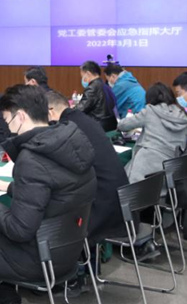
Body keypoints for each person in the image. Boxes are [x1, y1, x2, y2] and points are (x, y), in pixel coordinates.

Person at [0, 85, 96, 304]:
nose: (8, 129)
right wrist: (9, 187)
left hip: (35, 258)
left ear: (21, 117)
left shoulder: (32, 158)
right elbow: (55, 191)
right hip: (69, 250)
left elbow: (19, 230)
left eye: (7, 121)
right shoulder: (71, 143)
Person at [45, 90, 129, 242]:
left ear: (50, 112)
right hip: (120, 203)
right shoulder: (84, 119)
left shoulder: (68, 127)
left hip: (102, 207)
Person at [117, 83, 187, 183]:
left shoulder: (150, 111)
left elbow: (122, 125)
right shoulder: (183, 114)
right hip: (171, 171)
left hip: (144, 168)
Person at [76, 61, 118, 132]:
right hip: (110, 125)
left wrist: (68, 110)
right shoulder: (106, 86)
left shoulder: (92, 87)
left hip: (96, 125)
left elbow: (80, 109)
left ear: (88, 73)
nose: (83, 79)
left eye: (83, 76)